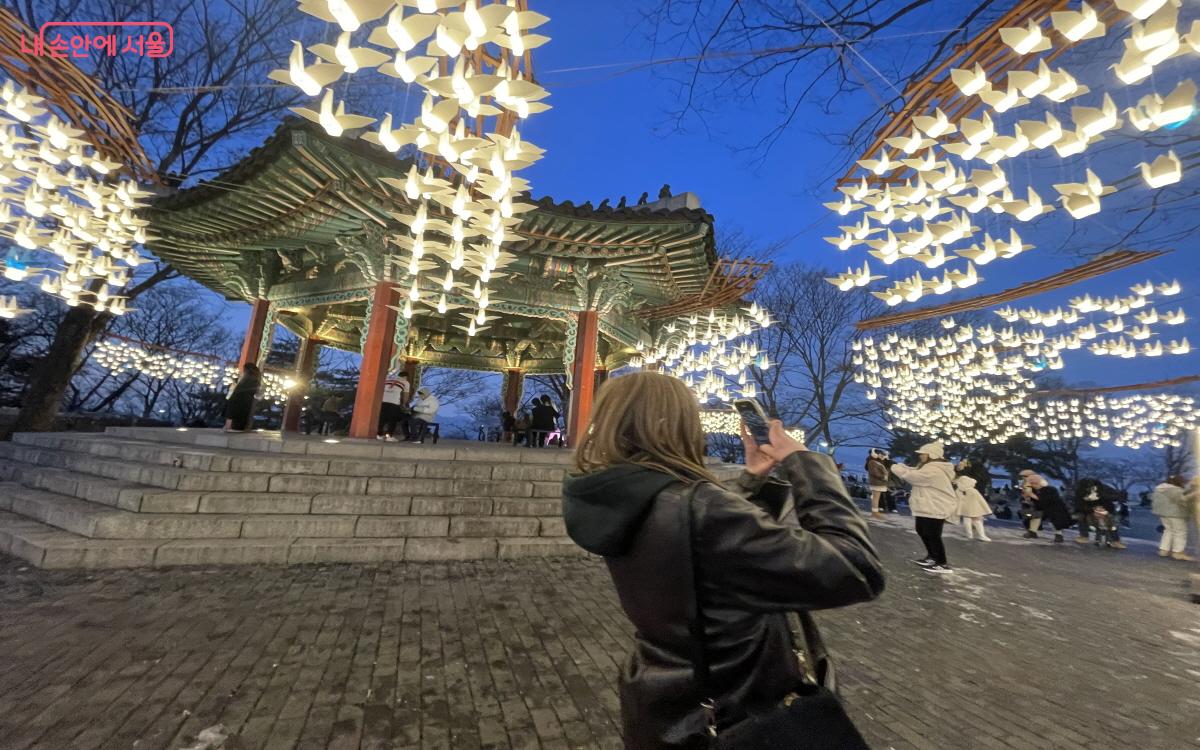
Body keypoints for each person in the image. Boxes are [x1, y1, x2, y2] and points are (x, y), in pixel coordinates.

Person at [561, 372, 883, 749]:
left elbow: (706, 553)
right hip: (740, 705)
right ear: (675, 423)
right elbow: (855, 568)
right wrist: (804, 462)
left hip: (666, 696)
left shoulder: (617, 495)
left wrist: (752, 480)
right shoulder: (701, 508)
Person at [891, 441, 958, 573]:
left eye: (923, 454)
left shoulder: (934, 469)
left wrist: (897, 468)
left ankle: (942, 563)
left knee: (933, 534)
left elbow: (914, 477)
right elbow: (914, 470)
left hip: (936, 505)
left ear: (931, 455)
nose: (920, 456)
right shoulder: (929, 467)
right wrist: (903, 466)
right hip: (927, 505)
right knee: (922, 530)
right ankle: (932, 557)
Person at [1074, 478, 1127, 550]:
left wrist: (1102, 497)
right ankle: (1084, 536)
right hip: (1088, 508)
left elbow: (1117, 496)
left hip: (1105, 507)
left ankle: (1115, 541)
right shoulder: (1080, 492)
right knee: (1081, 516)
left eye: (1092, 487)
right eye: (1087, 488)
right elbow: (1079, 505)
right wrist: (1089, 509)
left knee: (1110, 521)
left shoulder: (1104, 488)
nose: (1090, 490)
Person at [1020, 470, 1072, 543]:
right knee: (1034, 517)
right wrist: (1027, 496)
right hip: (1040, 507)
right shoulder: (1033, 489)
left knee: (1055, 521)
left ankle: (1058, 535)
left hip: (1053, 508)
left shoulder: (1049, 489)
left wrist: (1030, 494)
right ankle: (1032, 532)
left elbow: (1042, 499)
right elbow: (1029, 498)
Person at [1152, 475, 1195, 561]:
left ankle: (1163, 550)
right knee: (1180, 532)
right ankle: (1178, 553)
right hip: (1176, 514)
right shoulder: (1174, 489)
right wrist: (1194, 494)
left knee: (1168, 531)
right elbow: (1182, 499)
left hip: (1163, 514)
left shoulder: (1159, 489)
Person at [954, 471, 992, 542]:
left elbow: (956, 500)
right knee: (977, 521)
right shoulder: (973, 491)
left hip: (964, 509)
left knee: (967, 521)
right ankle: (981, 535)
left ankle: (969, 535)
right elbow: (981, 500)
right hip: (975, 509)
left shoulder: (958, 490)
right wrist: (987, 509)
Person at [223, 363, 260, 432]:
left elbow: (235, 397)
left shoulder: (245, 381)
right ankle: (235, 427)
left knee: (234, 427)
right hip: (243, 406)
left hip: (238, 406)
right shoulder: (254, 380)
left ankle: (231, 427)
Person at [377, 370, 411, 442]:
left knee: (381, 418)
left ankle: (378, 435)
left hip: (382, 401)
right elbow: (406, 395)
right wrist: (404, 404)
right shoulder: (406, 382)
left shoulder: (388, 378)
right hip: (394, 402)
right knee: (392, 419)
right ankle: (389, 436)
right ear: (406, 377)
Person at [865, 448, 889, 520]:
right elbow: (875, 473)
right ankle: (875, 513)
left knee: (876, 498)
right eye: (879, 454)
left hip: (878, 482)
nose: (881, 455)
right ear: (874, 454)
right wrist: (883, 477)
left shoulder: (875, 462)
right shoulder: (872, 462)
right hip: (877, 482)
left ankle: (875, 512)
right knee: (876, 498)